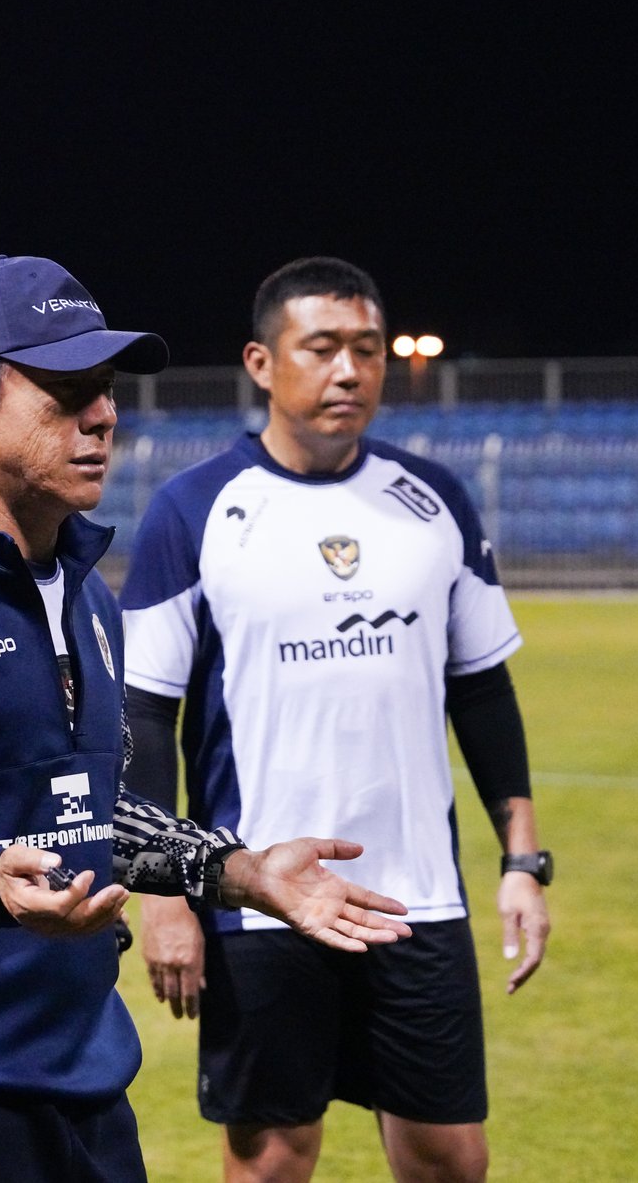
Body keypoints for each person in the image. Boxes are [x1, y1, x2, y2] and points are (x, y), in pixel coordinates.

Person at [0, 254, 414, 1183]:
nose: (102, 415)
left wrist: (232, 869)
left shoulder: (86, 595)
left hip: (83, 1083)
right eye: (65, 390)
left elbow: (84, 813)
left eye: (104, 390)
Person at [119, 256, 552, 1183]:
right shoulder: (192, 510)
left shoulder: (435, 502)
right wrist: (164, 896)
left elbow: (481, 690)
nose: (350, 370)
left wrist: (522, 859)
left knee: (449, 1157)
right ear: (262, 362)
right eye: (322, 348)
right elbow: (145, 717)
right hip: (262, 889)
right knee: (272, 1155)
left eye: (366, 348)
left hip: (416, 893)